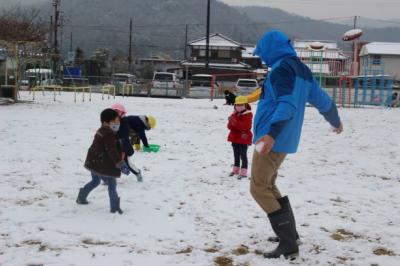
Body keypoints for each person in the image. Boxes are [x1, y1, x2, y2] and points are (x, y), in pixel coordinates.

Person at [250, 30, 343, 259]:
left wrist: (271, 134)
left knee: (259, 188)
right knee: (269, 184)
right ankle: (290, 235)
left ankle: (288, 242)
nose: (262, 58)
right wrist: (336, 121)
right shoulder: (302, 70)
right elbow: (324, 101)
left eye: (263, 53)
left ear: (271, 50)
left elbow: (287, 104)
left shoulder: (282, 70)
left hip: (271, 139)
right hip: (284, 138)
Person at [76, 108, 130, 214]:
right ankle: (114, 207)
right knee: (112, 184)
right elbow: (112, 151)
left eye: (118, 121)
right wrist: (121, 164)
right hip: (102, 163)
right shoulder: (108, 134)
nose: (118, 123)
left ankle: (81, 197)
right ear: (106, 122)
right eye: (115, 121)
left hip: (94, 161)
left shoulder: (103, 130)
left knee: (95, 181)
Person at [111, 103, 156, 182]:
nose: (116, 113)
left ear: (122, 113)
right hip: (117, 144)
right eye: (114, 111)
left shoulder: (135, 123)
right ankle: (109, 178)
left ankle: (138, 172)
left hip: (125, 147)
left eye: (118, 112)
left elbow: (141, 136)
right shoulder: (114, 121)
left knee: (127, 163)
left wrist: (146, 146)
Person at [227, 96, 253, 179]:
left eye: (241, 105)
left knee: (243, 155)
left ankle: (244, 172)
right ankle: (235, 169)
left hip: (243, 138)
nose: (239, 107)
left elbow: (245, 127)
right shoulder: (234, 113)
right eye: (237, 105)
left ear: (245, 105)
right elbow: (230, 127)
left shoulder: (248, 114)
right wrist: (231, 121)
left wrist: (235, 122)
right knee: (236, 154)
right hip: (235, 138)